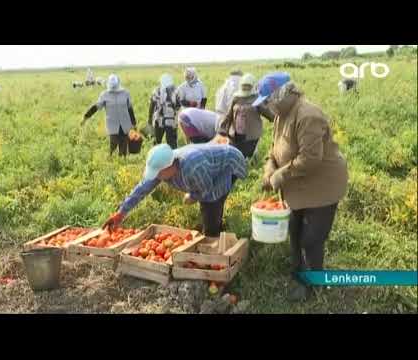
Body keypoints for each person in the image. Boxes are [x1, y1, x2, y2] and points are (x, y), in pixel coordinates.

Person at [257, 72, 348, 302]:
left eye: (267, 102)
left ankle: (312, 284)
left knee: (311, 239)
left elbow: (310, 158)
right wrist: (270, 167)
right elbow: (274, 149)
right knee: (295, 231)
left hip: (322, 186)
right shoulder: (280, 116)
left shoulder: (308, 115)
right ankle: (298, 274)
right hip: (297, 185)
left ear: (280, 96)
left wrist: (279, 175)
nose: (266, 107)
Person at [103, 143, 247, 237]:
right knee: (211, 207)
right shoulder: (164, 167)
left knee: (211, 202)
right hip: (209, 167)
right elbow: (142, 188)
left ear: (170, 166)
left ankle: (212, 235)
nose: (157, 177)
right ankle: (216, 226)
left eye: (158, 173)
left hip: (228, 163)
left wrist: (192, 196)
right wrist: (121, 213)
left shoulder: (192, 167)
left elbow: (207, 190)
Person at [216, 73, 275, 159]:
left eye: (248, 86)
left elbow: (268, 114)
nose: (246, 88)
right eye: (244, 86)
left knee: (245, 157)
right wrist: (222, 127)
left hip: (250, 135)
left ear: (253, 86)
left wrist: (276, 117)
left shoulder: (257, 98)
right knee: (235, 156)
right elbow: (229, 114)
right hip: (236, 134)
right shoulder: (236, 97)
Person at [81, 74, 137, 157]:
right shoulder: (104, 94)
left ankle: (122, 163)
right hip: (113, 126)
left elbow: (130, 109)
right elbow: (95, 107)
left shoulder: (125, 93)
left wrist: (134, 123)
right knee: (113, 148)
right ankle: (113, 163)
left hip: (125, 125)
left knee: (124, 149)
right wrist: (85, 117)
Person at [148, 74, 180, 149]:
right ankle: (174, 158)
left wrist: (149, 119)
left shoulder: (156, 91)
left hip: (158, 120)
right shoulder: (175, 91)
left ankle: (155, 158)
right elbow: (178, 106)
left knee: (156, 141)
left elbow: (151, 106)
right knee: (172, 142)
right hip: (171, 121)